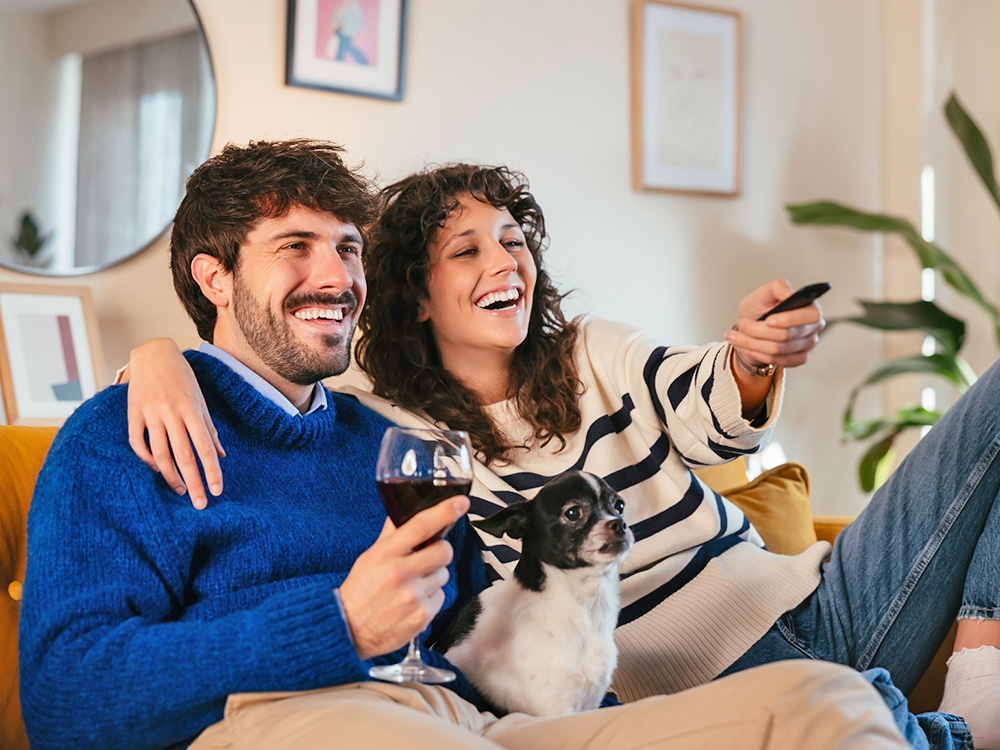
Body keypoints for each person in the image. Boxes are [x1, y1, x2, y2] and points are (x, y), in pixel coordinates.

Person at [17, 140, 912, 750]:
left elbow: (488, 633)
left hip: (470, 722)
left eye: (349, 248)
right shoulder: (118, 437)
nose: (336, 277)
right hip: (287, 718)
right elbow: (64, 697)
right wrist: (334, 626)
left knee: (825, 704)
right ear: (212, 276)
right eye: (295, 247)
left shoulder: (387, 437)